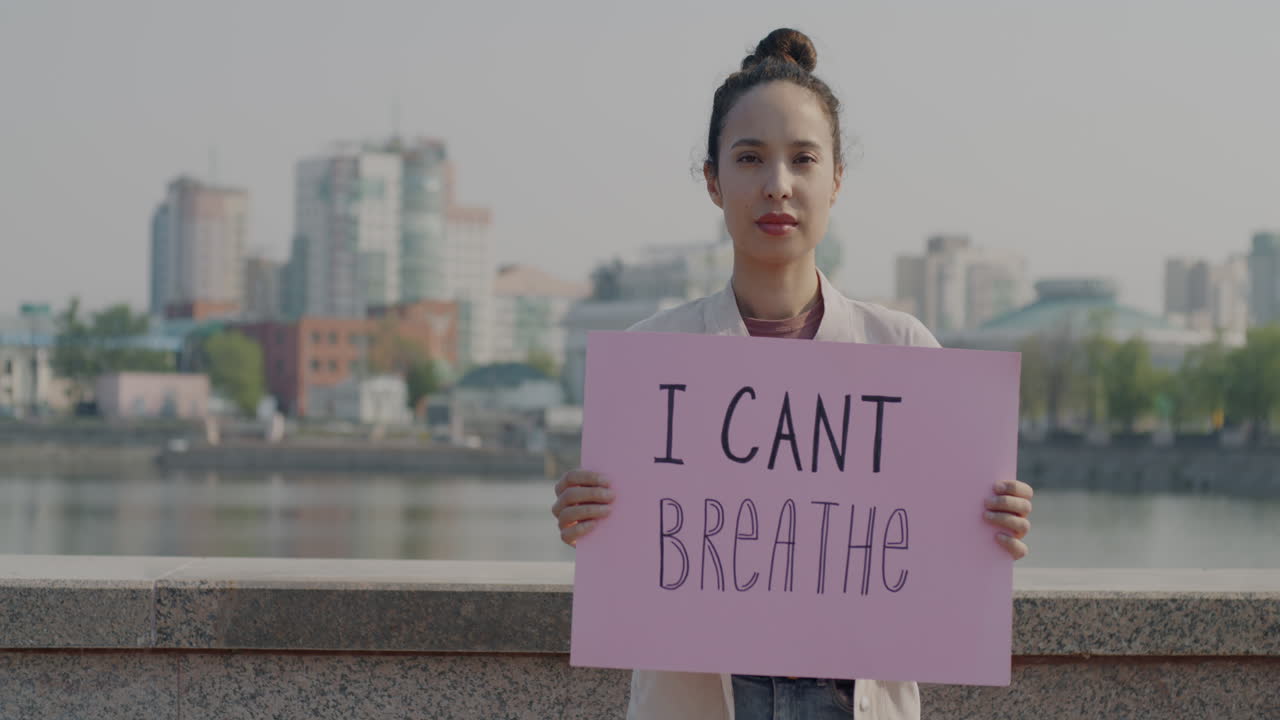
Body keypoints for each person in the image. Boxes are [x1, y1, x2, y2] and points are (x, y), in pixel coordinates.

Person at [551, 28, 1035, 720]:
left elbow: (934, 558)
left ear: (835, 179)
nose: (777, 185)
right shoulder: (651, 358)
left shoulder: (905, 353)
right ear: (713, 181)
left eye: (802, 159)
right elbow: (640, 552)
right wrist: (588, 518)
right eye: (749, 159)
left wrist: (994, 524)